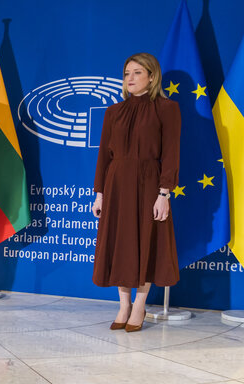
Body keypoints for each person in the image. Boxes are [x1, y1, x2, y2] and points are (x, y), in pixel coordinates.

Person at [92, 53, 180, 333]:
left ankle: (139, 306)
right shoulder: (113, 112)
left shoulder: (167, 109)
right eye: (126, 73)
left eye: (137, 73)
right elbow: (103, 157)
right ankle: (123, 305)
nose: (130, 78)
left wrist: (164, 194)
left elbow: (171, 155)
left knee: (146, 243)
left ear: (152, 77)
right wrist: (100, 194)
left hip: (149, 184)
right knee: (120, 244)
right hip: (117, 184)